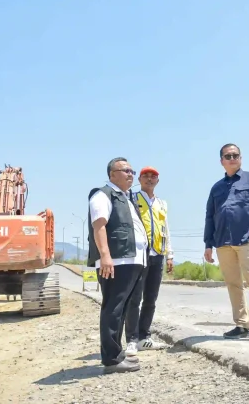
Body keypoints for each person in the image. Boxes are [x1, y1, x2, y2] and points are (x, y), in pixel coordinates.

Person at [203, 143, 249, 344]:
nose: (232, 158)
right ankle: (242, 326)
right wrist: (208, 244)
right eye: (228, 156)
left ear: (241, 158)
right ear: (222, 161)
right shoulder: (216, 188)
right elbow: (210, 216)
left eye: (235, 155)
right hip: (222, 242)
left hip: (246, 240)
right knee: (233, 285)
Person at [87, 157, 148, 374]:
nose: (131, 174)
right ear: (112, 174)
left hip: (133, 260)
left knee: (121, 309)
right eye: (125, 170)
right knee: (113, 308)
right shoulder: (103, 195)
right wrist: (105, 256)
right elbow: (99, 226)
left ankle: (117, 354)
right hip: (117, 260)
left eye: (132, 171)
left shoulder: (125, 197)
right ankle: (111, 360)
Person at [124, 166, 174, 356]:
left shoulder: (162, 203)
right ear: (140, 179)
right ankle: (131, 339)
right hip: (139, 255)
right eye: (146, 176)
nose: (149, 179)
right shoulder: (132, 198)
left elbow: (165, 228)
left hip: (158, 254)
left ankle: (144, 337)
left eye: (153, 176)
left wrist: (170, 254)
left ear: (157, 181)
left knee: (151, 299)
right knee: (134, 298)